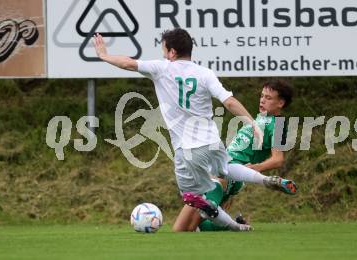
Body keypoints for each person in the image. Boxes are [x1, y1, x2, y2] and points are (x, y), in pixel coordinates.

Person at [94, 28, 265, 231]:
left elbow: (128, 63)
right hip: (212, 142)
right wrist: (252, 123)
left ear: (172, 52)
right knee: (224, 169)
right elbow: (229, 102)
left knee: (193, 199)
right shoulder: (204, 73)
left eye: (164, 50)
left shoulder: (162, 68)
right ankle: (262, 183)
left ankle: (233, 225)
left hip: (187, 149)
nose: (163, 54)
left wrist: (104, 55)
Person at [172, 80, 297, 232]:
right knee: (191, 227)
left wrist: (255, 168)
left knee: (182, 229)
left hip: (230, 172)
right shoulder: (259, 119)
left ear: (281, 103)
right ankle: (235, 224)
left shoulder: (278, 125)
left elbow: (278, 159)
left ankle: (229, 219)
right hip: (223, 168)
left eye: (268, 98)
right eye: (262, 96)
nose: (262, 100)